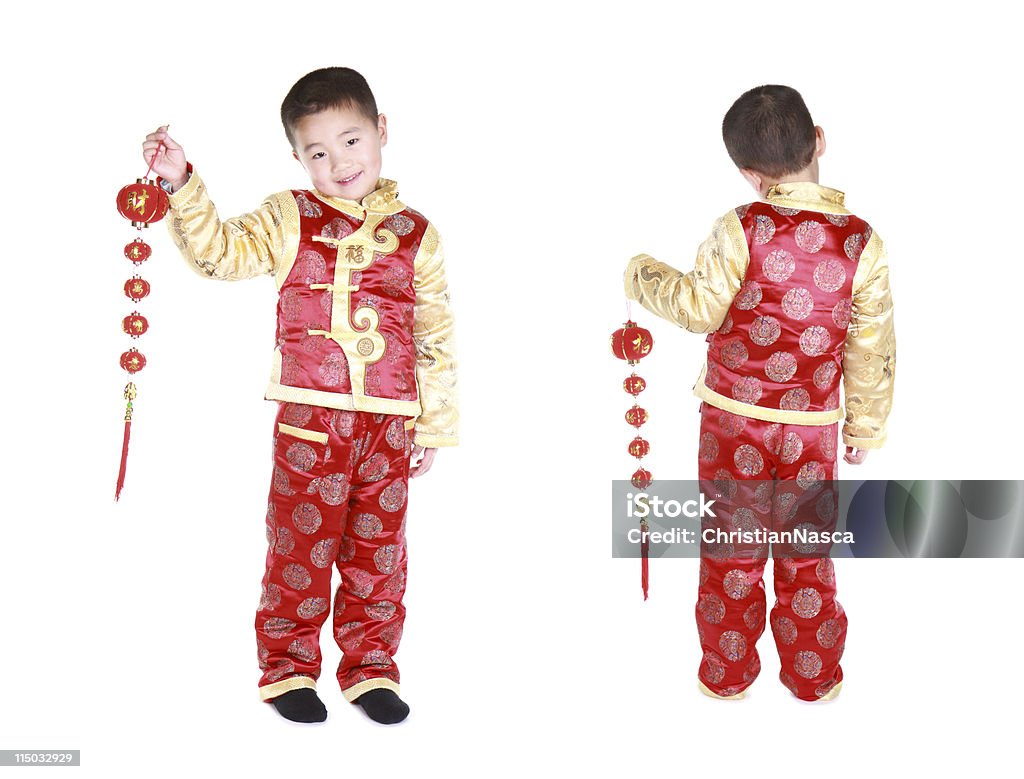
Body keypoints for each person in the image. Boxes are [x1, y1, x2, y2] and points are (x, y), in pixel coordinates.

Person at [141, 67, 458, 724]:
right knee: (300, 545)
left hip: (390, 424)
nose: (338, 162)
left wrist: (433, 424)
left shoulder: (419, 234)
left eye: (350, 140)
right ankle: (287, 667)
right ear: (297, 157)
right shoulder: (291, 216)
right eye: (317, 151)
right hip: (311, 418)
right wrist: (180, 184)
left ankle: (371, 667)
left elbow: (434, 330)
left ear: (381, 132)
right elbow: (220, 254)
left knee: (380, 553)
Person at [622, 84, 895, 702]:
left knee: (731, 551)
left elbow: (698, 308)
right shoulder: (863, 243)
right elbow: (872, 347)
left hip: (732, 424)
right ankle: (813, 676)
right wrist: (864, 429)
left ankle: (726, 675)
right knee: (807, 559)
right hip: (813, 429)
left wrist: (642, 273)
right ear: (819, 139)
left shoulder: (740, 227)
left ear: (748, 174)